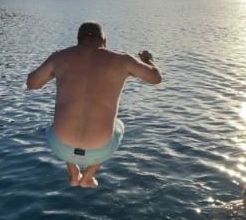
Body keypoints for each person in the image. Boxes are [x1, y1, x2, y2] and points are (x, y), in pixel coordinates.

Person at [27, 21, 162, 188]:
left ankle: (73, 171)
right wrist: (149, 59)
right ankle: (88, 177)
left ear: (78, 41)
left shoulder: (59, 57)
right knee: (118, 125)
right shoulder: (123, 61)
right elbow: (155, 78)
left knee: (52, 125)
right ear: (104, 43)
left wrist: (56, 68)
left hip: (60, 147)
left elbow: (32, 84)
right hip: (100, 151)